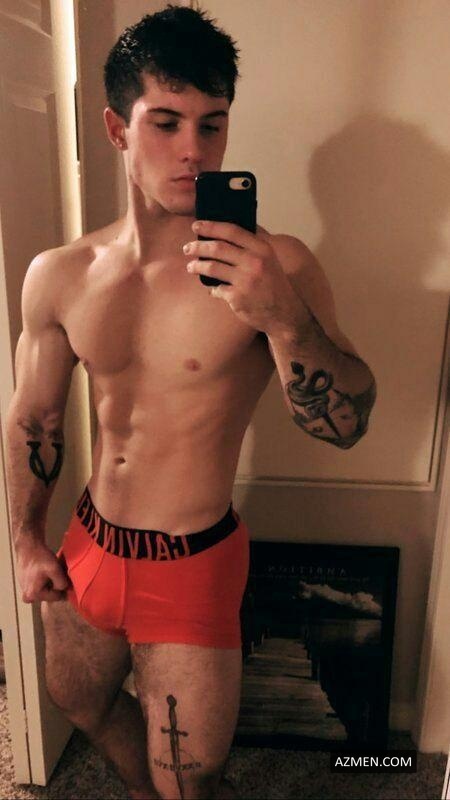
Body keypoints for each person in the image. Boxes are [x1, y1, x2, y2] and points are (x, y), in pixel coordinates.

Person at [5, 5, 376, 799]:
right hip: (89, 543)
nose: (193, 150)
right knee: (77, 699)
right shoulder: (61, 274)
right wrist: (27, 540)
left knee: (192, 775)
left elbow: (348, 423)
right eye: (166, 122)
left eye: (213, 124)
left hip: (192, 559)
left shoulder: (278, 268)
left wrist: (283, 318)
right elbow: (34, 418)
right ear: (117, 129)